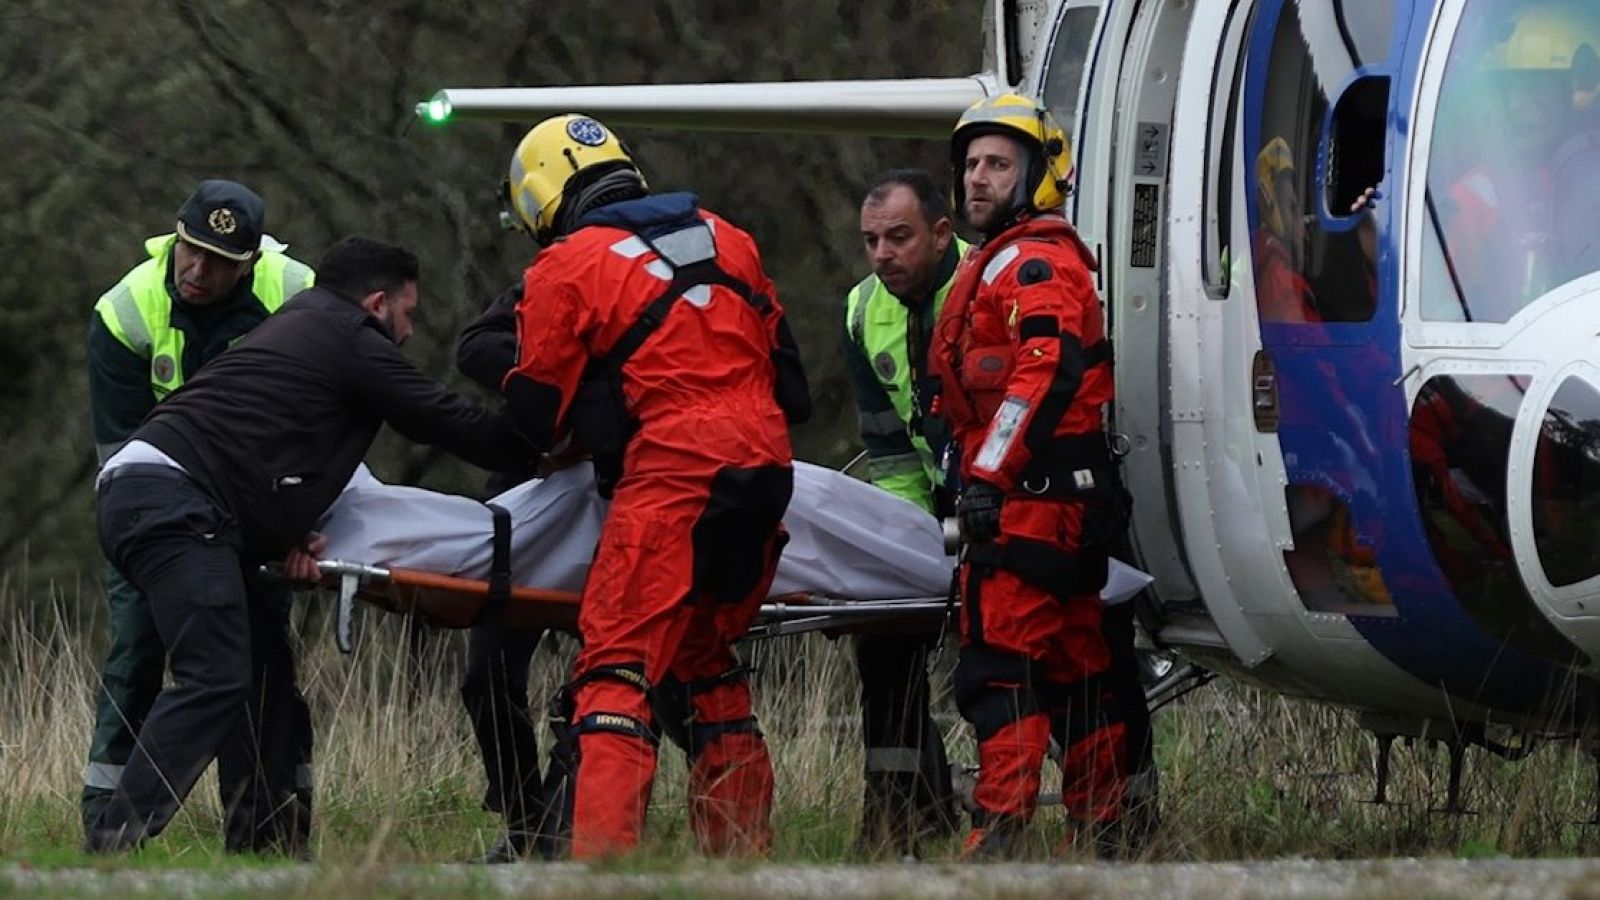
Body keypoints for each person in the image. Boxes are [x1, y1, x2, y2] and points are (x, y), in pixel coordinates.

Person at [85, 236, 536, 854]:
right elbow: (450, 420)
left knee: (263, 672)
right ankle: (112, 843)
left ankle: (268, 850)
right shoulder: (348, 335)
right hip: (171, 499)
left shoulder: (299, 325)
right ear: (377, 303)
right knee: (215, 674)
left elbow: (258, 450)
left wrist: (285, 535)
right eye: (408, 314)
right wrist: (547, 441)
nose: (408, 332)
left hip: (170, 497)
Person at [499, 113, 810, 858]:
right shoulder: (728, 236)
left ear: (541, 200)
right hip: (764, 470)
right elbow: (793, 389)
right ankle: (740, 861)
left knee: (616, 667)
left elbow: (532, 413)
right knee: (705, 662)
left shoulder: (569, 263)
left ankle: (603, 864)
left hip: (676, 473)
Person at [928, 93, 1133, 858]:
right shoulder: (1015, 258)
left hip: (1028, 504)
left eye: (998, 164)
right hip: (1062, 502)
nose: (978, 179)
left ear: (1039, 176)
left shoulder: (1033, 262)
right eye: (972, 164)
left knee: (1000, 666)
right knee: (1078, 668)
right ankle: (1104, 830)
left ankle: (1001, 834)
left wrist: (986, 476)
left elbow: (1043, 373)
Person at [83, 179, 316, 852]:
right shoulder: (125, 312)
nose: (198, 270)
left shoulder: (298, 296)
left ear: (251, 261)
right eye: (191, 251)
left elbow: (318, 421)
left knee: (264, 661)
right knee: (136, 650)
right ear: (175, 237)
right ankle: (104, 831)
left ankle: (273, 835)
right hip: (157, 511)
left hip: (262, 508)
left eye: (218, 260)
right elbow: (117, 460)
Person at [842, 168, 968, 856]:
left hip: (1008, 495)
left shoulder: (987, 286)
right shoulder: (863, 310)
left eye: (899, 237)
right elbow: (888, 449)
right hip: (924, 495)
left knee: (997, 665)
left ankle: (1106, 824)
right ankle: (904, 816)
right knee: (883, 641)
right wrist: (907, 548)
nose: (884, 254)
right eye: (871, 241)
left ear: (941, 233)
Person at [454, 280, 557, 863]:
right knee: (487, 676)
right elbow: (475, 346)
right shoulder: (546, 279)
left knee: (637, 677)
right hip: (528, 497)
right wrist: (551, 370)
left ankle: (583, 814)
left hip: (616, 498)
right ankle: (527, 824)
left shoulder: (652, 288)